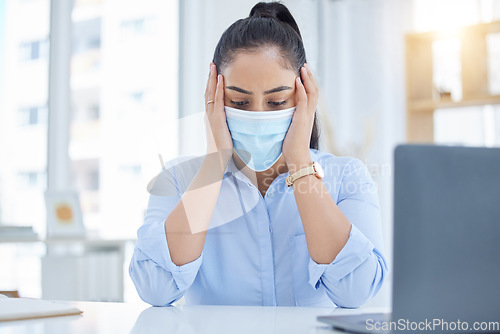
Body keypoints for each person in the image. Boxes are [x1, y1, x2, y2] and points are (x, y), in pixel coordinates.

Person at [129, 1, 387, 307]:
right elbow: (156, 289)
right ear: (215, 97)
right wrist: (215, 162)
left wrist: (300, 162)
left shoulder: (347, 178)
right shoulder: (176, 180)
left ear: (305, 95)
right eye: (239, 102)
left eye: (277, 102)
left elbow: (355, 291)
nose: (258, 115)